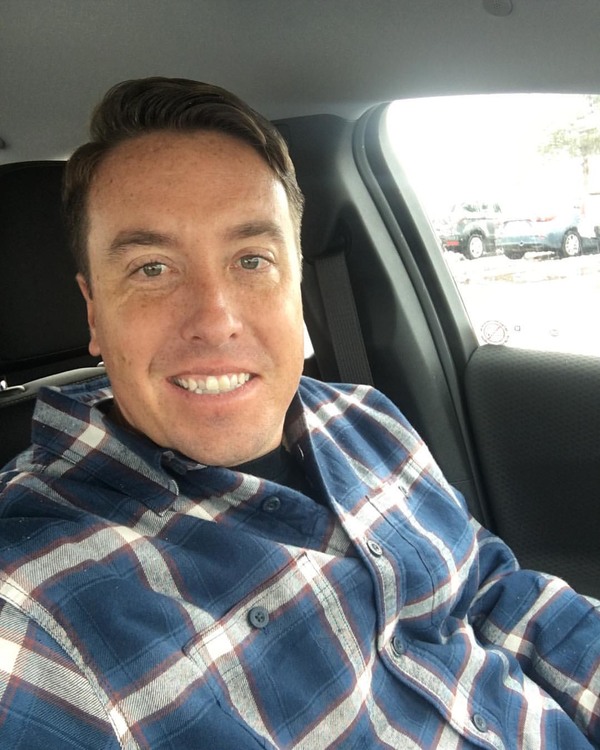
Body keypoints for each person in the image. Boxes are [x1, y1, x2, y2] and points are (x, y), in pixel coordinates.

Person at [0, 77, 598, 750]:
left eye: (252, 259)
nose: (215, 320)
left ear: (297, 284)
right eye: (152, 269)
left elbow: (493, 594)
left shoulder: (366, 419)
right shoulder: (30, 602)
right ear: (93, 312)